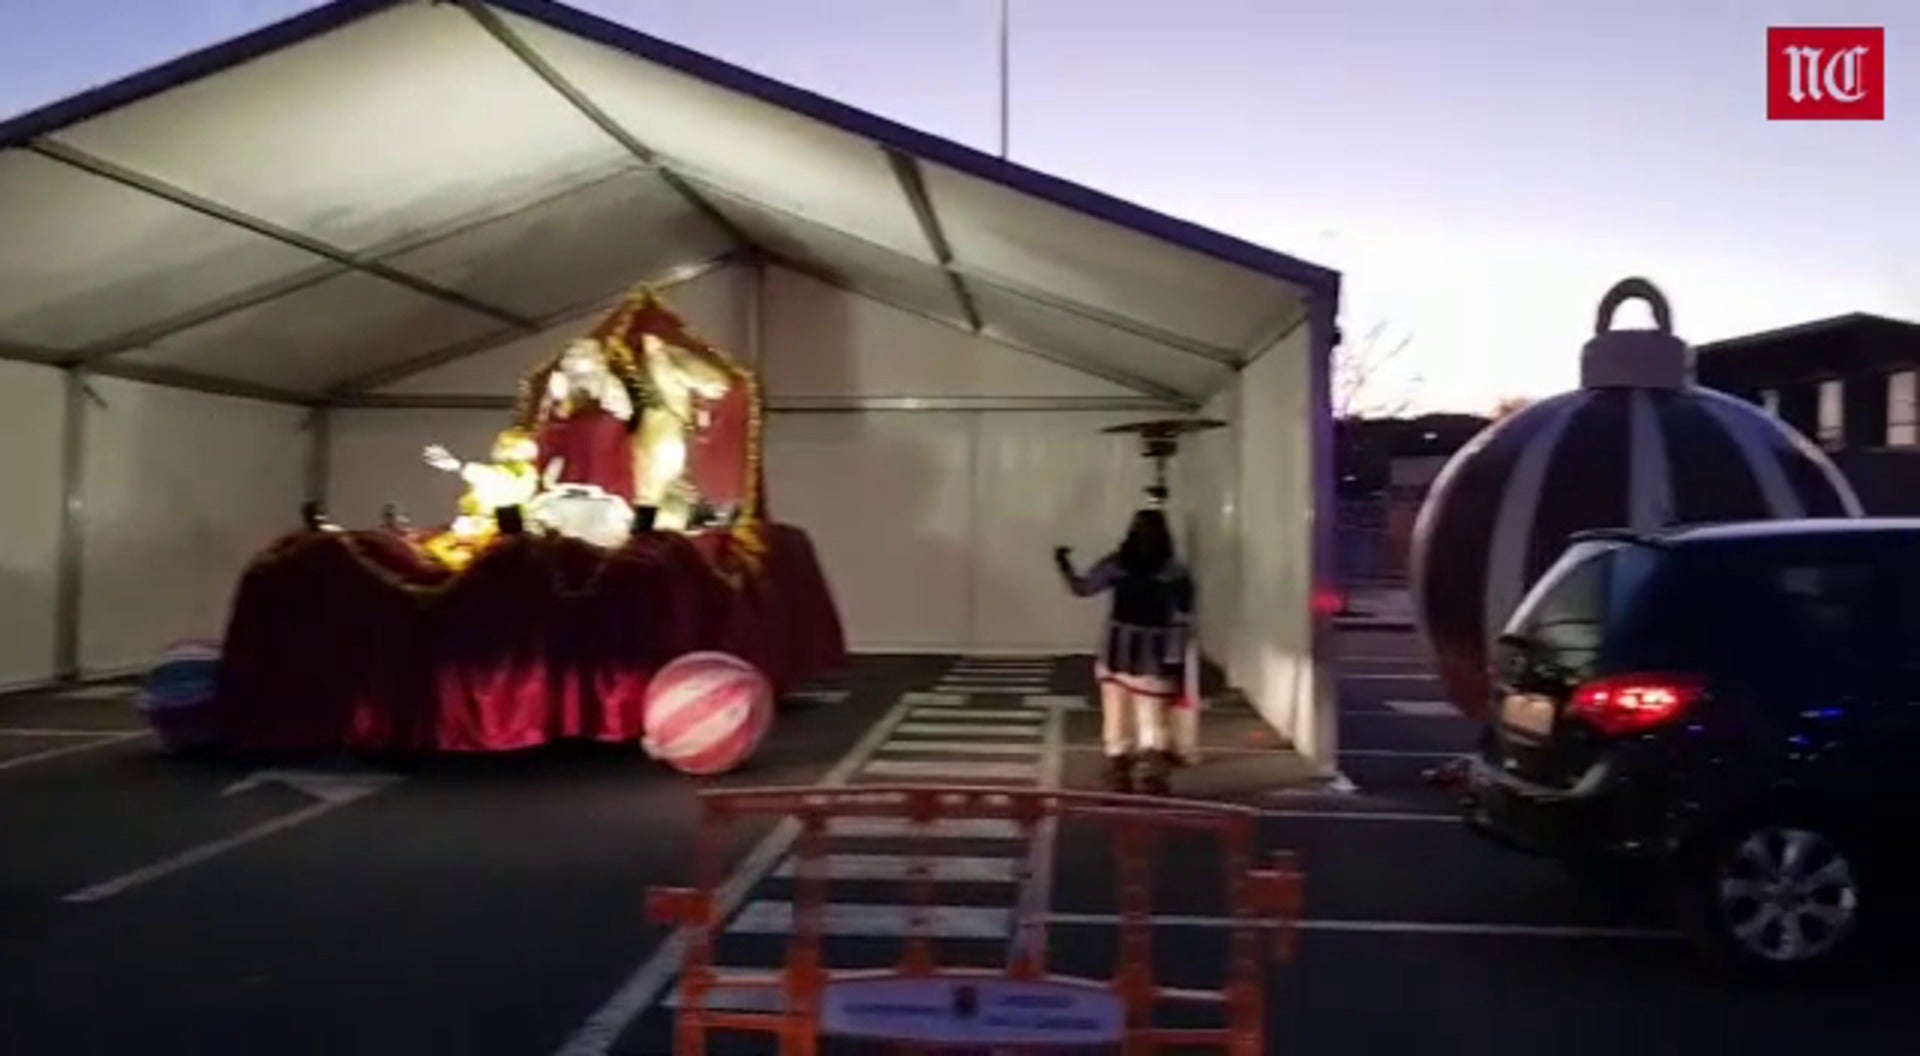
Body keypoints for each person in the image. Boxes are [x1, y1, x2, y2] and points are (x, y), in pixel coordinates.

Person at [1054, 509, 1196, 795]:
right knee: (1153, 717)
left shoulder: (1118, 564)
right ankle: (1152, 775)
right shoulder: (1175, 572)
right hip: (1156, 652)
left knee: (1116, 716)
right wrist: (1177, 659)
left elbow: (1082, 588)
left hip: (1118, 650)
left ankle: (1119, 771)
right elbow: (1184, 615)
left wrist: (1063, 563)